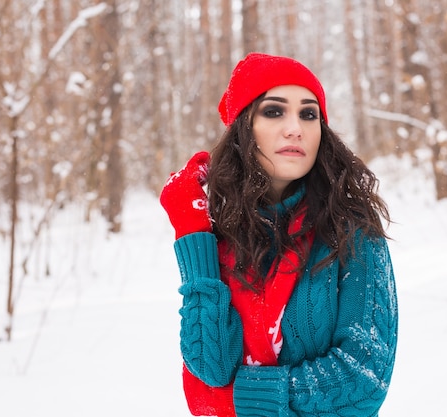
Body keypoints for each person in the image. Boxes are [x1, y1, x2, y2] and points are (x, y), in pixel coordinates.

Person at [160, 52, 398, 417]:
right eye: (274, 111)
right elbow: (210, 368)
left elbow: (363, 381)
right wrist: (192, 231)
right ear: (244, 127)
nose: (295, 128)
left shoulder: (352, 230)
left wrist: (241, 397)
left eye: (308, 113)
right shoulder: (220, 234)